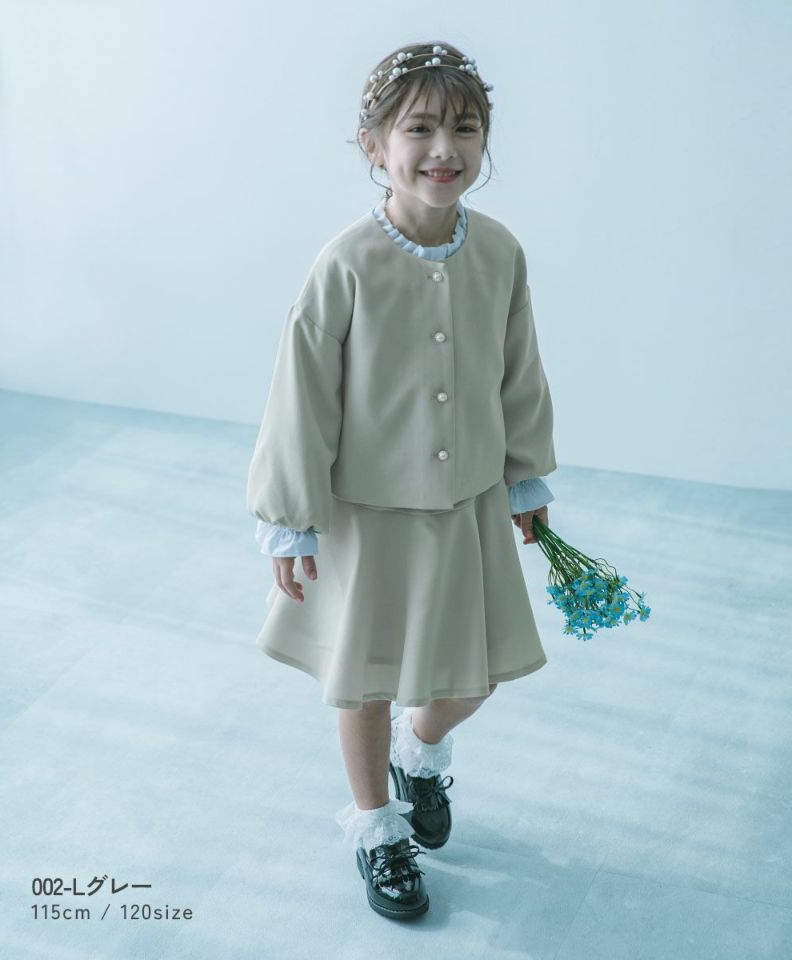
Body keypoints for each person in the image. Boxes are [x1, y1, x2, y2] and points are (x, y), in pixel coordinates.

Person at [245, 41, 558, 920]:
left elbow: (519, 372)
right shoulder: (345, 262)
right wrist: (289, 517)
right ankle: (377, 827)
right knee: (366, 681)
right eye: (419, 128)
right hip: (367, 513)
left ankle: (420, 755)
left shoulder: (500, 253)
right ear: (374, 145)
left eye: (466, 128)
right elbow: (301, 394)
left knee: (476, 674)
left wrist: (526, 478)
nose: (444, 149)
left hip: (468, 506)